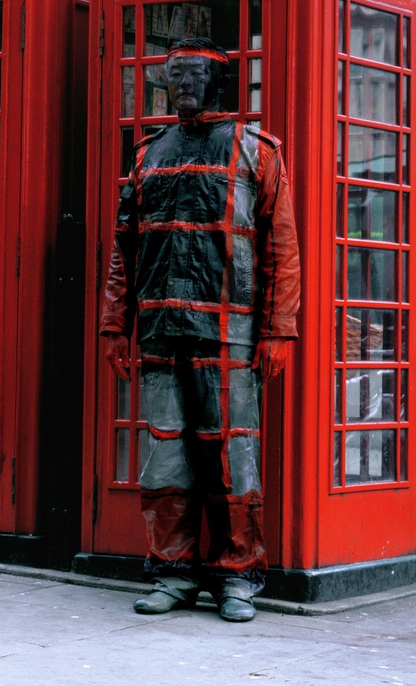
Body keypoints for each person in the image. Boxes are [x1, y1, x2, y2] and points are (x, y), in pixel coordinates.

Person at [100, 37, 301, 622]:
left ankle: (237, 576)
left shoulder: (255, 152)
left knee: (233, 457)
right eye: (175, 76)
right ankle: (173, 572)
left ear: (221, 83)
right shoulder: (147, 155)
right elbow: (123, 249)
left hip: (230, 331)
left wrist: (278, 331)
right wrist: (116, 324)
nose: (184, 86)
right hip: (161, 327)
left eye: (195, 76)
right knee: (165, 459)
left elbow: (281, 248)